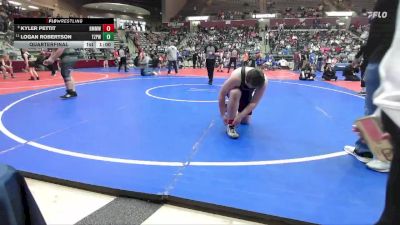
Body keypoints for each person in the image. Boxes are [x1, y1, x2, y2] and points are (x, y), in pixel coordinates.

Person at [218, 67, 268, 139]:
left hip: (247, 92)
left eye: (253, 87)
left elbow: (254, 102)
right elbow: (222, 94)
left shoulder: (263, 83)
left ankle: (230, 106)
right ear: (246, 81)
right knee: (235, 93)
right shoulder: (236, 77)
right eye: (250, 86)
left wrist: (240, 115)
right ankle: (230, 125)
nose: (251, 87)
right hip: (235, 88)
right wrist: (222, 114)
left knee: (245, 122)